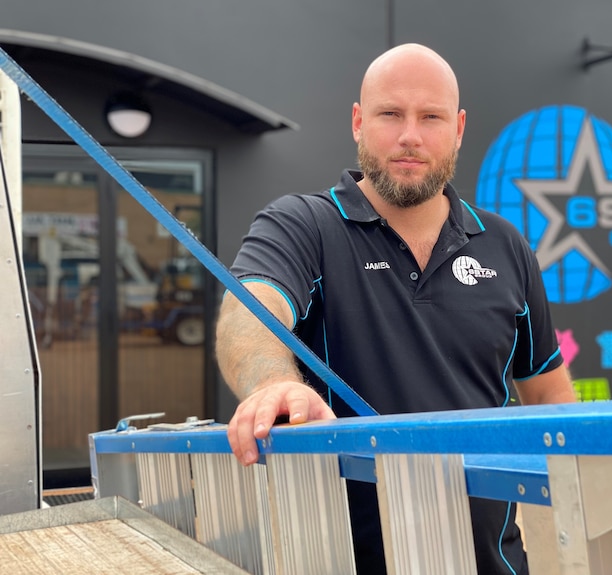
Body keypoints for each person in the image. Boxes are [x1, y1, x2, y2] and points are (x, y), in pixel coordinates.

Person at [216, 42, 576, 575]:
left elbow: (547, 392)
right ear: (359, 123)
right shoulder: (303, 224)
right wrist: (273, 385)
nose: (410, 136)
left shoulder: (506, 245)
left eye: (430, 116)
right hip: (340, 561)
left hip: (492, 562)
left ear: (457, 128)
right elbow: (249, 313)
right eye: (390, 114)